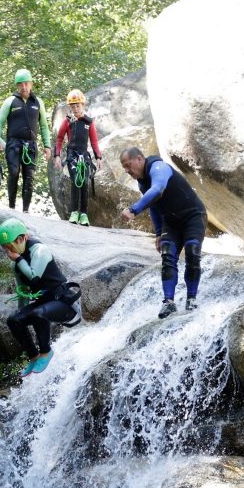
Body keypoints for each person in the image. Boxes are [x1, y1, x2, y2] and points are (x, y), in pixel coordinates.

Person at [119, 147, 207, 318]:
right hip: (171, 221)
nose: (127, 171)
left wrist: (133, 209)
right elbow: (154, 205)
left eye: (128, 166)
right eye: (124, 168)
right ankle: (168, 303)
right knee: (167, 256)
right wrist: (159, 233)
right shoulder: (142, 182)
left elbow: (158, 190)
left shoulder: (158, 167)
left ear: (139, 159)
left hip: (193, 215)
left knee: (192, 251)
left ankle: (191, 299)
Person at [0, 218, 81, 377]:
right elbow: (23, 289)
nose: (9, 252)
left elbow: (34, 277)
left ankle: (46, 352)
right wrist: (21, 314)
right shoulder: (16, 263)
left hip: (63, 302)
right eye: (5, 249)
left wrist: (19, 260)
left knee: (38, 314)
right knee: (13, 320)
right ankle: (34, 356)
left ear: (22, 238)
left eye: (10, 247)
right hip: (44, 302)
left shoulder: (39, 250)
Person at [0, 69, 52, 212]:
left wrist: (47, 145)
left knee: (29, 177)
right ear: (17, 86)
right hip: (14, 144)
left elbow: (43, 125)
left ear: (31, 84)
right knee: (13, 172)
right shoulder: (10, 101)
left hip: (30, 145)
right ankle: (12, 207)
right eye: (20, 84)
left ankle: (25, 210)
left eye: (26, 84)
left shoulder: (38, 102)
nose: (23, 87)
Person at [53, 89, 101, 226]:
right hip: (72, 155)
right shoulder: (68, 122)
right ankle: (74, 212)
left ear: (83, 105)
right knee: (75, 182)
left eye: (77, 106)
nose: (75, 109)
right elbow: (60, 138)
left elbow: (94, 141)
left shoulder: (88, 122)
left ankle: (84, 214)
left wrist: (98, 157)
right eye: (72, 106)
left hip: (84, 156)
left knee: (85, 182)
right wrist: (57, 156)